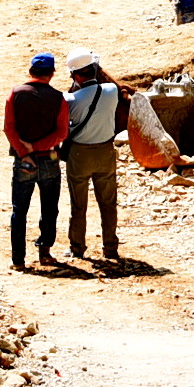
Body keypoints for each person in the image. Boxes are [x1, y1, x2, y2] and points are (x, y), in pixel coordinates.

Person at [2, 53, 68, 269]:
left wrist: (24, 151)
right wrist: (38, 146)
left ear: (31, 72)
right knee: (49, 208)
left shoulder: (15, 94)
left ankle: (18, 260)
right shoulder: (59, 98)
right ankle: (45, 253)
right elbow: (62, 133)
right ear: (52, 74)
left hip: (24, 162)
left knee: (19, 210)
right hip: (49, 158)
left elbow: (9, 128)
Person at [62, 50, 124, 264]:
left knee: (78, 204)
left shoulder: (69, 99)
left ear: (74, 75)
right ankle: (110, 248)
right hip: (105, 152)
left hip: (80, 154)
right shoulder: (110, 91)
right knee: (108, 203)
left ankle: (77, 248)